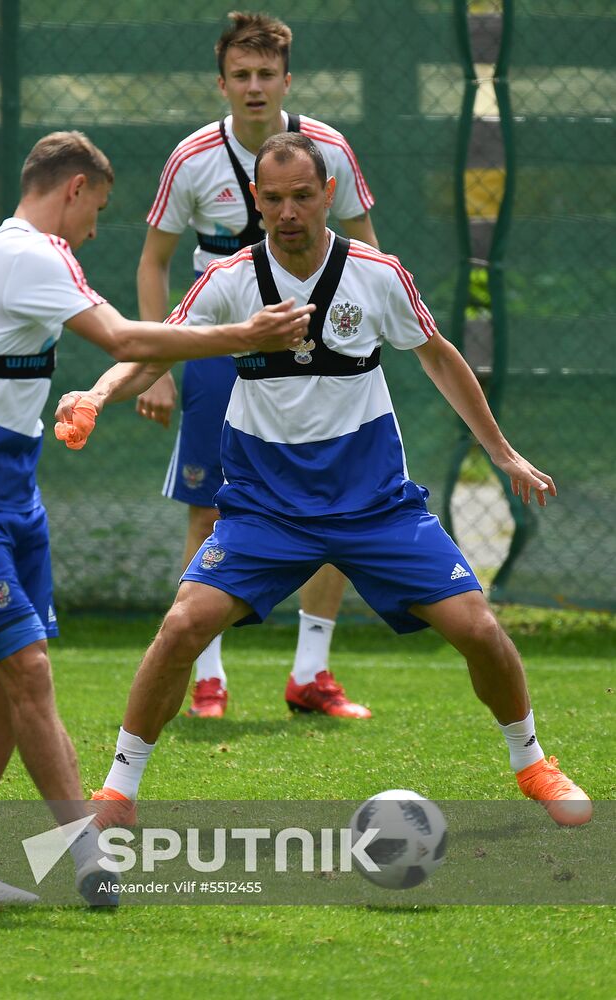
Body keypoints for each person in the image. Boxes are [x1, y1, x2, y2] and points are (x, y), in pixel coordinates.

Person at [56, 133, 592, 836]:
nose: (287, 210)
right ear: (255, 200)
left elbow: (437, 355)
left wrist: (503, 452)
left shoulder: (375, 274)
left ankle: (530, 764)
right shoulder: (229, 281)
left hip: (372, 504)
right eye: (272, 197)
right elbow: (149, 347)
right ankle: (118, 790)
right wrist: (95, 394)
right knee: (182, 624)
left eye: (302, 195)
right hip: (263, 510)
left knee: (480, 630)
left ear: (327, 194)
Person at [0, 130, 313, 904]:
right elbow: (119, 337)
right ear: (73, 187)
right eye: (98, 210)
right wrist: (241, 335)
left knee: (6, 683)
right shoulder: (27, 256)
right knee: (28, 674)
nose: (95, 229)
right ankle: (85, 857)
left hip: (11, 496)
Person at [135, 11, 378, 719]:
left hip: (321, 348)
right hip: (219, 351)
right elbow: (153, 263)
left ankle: (310, 673)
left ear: (286, 80)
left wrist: (366, 329)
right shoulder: (191, 159)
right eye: (239, 75)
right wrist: (154, 364)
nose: (252, 87)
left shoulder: (326, 147)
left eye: (264, 74)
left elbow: (367, 247)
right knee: (209, 504)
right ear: (221, 82)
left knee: (337, 498)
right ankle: (207, 677)